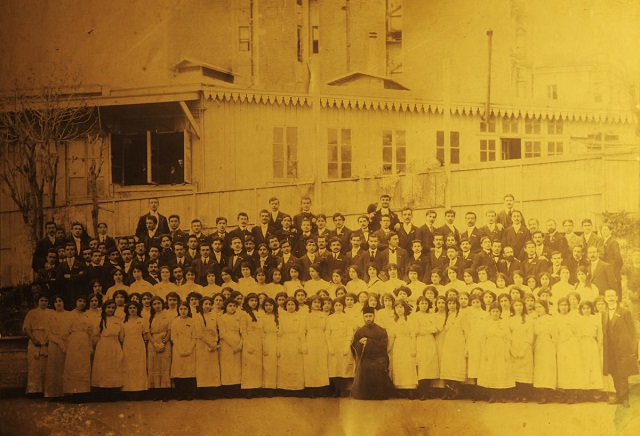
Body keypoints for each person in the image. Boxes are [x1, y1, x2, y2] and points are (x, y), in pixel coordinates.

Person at [602, 288, 639, 407]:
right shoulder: (604, 313)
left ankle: (625, 399)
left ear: (616, 297)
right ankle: (618, 396)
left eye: (612, 296)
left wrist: (632, 349)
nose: (611, 298)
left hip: (623, 349)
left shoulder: (624, 312)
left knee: (623, 374)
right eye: (608, 296)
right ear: (605, 299)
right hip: (610, 350)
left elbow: (633, 332)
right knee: (614, 373)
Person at [350, 306, 395, 400]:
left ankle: (379, 395)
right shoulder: (360, 331)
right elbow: (354, 346)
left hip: (379, 356)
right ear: (363, 317)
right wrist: (360, 343)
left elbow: (383, 345)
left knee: (378, 366)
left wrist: (369, 341)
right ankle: (365, 395)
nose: (368, 319)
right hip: (365, 357)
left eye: (370, 316)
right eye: (366, 316)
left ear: (374, 316)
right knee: (365, 366)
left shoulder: (381, 330)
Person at [478, 302, 515, 403]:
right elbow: (482, 339)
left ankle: (501, 395)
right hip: (490, 349)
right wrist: (484, 352)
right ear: (490, 312)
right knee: (491, 371)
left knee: (501, 371)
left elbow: (508, 339)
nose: (495, 313)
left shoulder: (504, 323)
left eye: (497, 311)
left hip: (501, 349)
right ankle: (492, 395)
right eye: (493, 311)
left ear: (500, 312)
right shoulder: (486, 324)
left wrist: (506, 352)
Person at [91, 299, 125, 398]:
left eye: (113, 308)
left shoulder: (117, 320)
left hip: (115, 344)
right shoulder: (99, 319)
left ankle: (113, 392)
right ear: (104, 308)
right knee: (103, 368)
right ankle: (102, 392)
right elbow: (96, 335)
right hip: (103, 345)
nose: (110, 309)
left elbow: (121, 335)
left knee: (114, 367)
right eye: (108, 307)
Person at [62, 295, 93, 399]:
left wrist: (90, 346)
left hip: (84, 341)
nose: (82, 303)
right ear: (75, 302)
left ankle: (83, 392)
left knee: (84, 366)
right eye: (79, 301)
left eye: (84, 301)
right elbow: (65, 332)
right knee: (74, 366)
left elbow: (89, 332)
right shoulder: (69, 315)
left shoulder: (86, 316)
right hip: (74, 342)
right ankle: (74, 392)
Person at [23, 294, 52, 396]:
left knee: (46, 365)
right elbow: (27, 328)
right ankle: (33, 390)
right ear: (38, 301)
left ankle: (46, 390)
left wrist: (49, 339)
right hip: (35, 339)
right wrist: (33, 339)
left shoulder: (51, 313)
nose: (44, 303)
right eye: (42, 300)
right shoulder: (32, 313)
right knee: (34, 365)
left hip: (48, 339)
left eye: (46, 300)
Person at [45, 295, 72, 399]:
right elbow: (48, 333)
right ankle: (54, 393)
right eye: (56, 301)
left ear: (64, 302)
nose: (58, 303)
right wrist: (59, 342)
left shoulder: (69, 315)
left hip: (68, 343)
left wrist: (66, 341)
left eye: (60, 300)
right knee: (54, 368)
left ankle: (67, 392)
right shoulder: (50, 316)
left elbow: (72, 329)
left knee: (66, 367)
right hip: (54, 344)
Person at [122, 301, 150, 396]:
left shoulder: (142, 320)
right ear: (127, 310)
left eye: (134, 308)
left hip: (139, 344)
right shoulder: (124, 321)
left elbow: (146, 335)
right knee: (128, 367)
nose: (132, 310)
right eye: (130, 308)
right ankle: (128, 391)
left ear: (138, 309)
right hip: (127, 345)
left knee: (139, 367)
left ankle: (140, 391)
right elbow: (122, 337)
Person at [171, 302, 197, 400]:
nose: (183, 311)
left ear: (189, 310)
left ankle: (189, 393)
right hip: (178, 348)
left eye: (185, 309)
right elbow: (173, 338)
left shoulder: (192, 321)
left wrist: (190, 349)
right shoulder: (174, 322)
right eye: (181, 309)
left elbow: (194, 336)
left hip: (190, 347)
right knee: (179, 371)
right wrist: (180, 350)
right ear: (178, 310)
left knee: (189, 371)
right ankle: (180, 393)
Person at [147, 296, 172, 400]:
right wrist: (154, 343)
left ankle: (165, 393)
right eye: (154, 304)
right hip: (153, 343)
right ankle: (155, 393)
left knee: (165, 367)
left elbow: (170, 331)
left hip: (165, 342)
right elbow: (147, 332)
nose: (157, 306)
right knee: (154, 367)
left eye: (159, 303)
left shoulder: (169, 315)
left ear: (162, 304)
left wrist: (164, 342)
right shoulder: (149, 316)